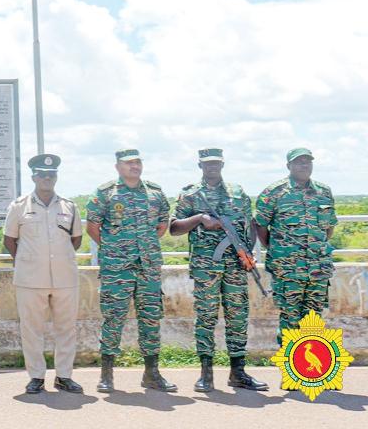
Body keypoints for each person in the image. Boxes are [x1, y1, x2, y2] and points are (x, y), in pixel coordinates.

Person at [170, 148, 267, 392]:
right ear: (200, 166)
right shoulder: (190, 195)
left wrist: (248, 252)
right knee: (206, 317)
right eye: (207, 163)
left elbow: (250, 225)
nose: (212, 167)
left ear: (222, 164)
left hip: (235, 265)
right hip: (206, 266)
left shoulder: (237, 192)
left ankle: (238, 372)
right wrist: (199, 218)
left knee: (238, 316)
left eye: (216, 163)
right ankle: (206, 374)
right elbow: (174, 228)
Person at [86, 149, 175, 393]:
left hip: (148, 267)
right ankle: (106, 375)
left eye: (137, 162)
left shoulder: (155, 193)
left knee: (151, 319)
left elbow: (162, 225)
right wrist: (114, 248)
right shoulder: (105, 193)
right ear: (118, 167)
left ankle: (152, 374)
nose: (134, 166)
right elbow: (92, 227)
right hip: (117, 268)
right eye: (129, 163)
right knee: (113, 318)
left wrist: (143, 246)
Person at [3, 154, 83, 394]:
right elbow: (9, 240)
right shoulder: (19, 206)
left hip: (65, 277)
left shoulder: (69, 206)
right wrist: (28, 261)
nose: (47, 178)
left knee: (66, 329)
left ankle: (64, 376)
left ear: (56, 177)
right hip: (30, 278)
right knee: (31, 330)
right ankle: (36, 376)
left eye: (51, 174)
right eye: (42, 174)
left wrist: (58, 257)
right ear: (34, 177)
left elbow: (76, 240)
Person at [256, 148, 337, 347]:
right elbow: (260, 226)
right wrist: (279, 250)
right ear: (289, 166)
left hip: (318, 268)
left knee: (314, 320)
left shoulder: (324, 191)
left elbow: (329, 227)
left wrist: (317, 248)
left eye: (307, 161)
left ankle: (308, 365)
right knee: (290, 320)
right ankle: (289, 365)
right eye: (299, 162)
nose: (304, 165)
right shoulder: (274, 192)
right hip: (288, 269)